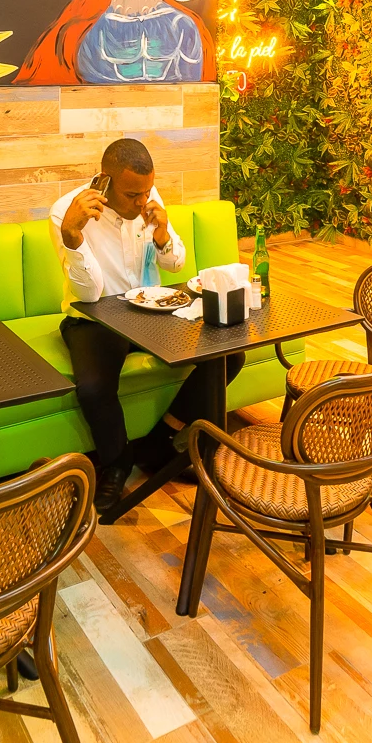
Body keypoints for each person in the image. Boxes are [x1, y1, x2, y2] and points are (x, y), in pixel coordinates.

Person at [51, 137, 241, 512]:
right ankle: (116, 464)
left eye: (147, 191)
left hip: (151, 308)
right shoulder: (66, 213)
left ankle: (158, 442)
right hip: (95, 316)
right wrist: (73, 238)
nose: (142, 202)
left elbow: (175, 265)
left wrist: (162, 234)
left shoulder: (147, 197)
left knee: (229, 355)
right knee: (93, 388)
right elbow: (89, 293)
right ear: (105, 181)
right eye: (132, 194)